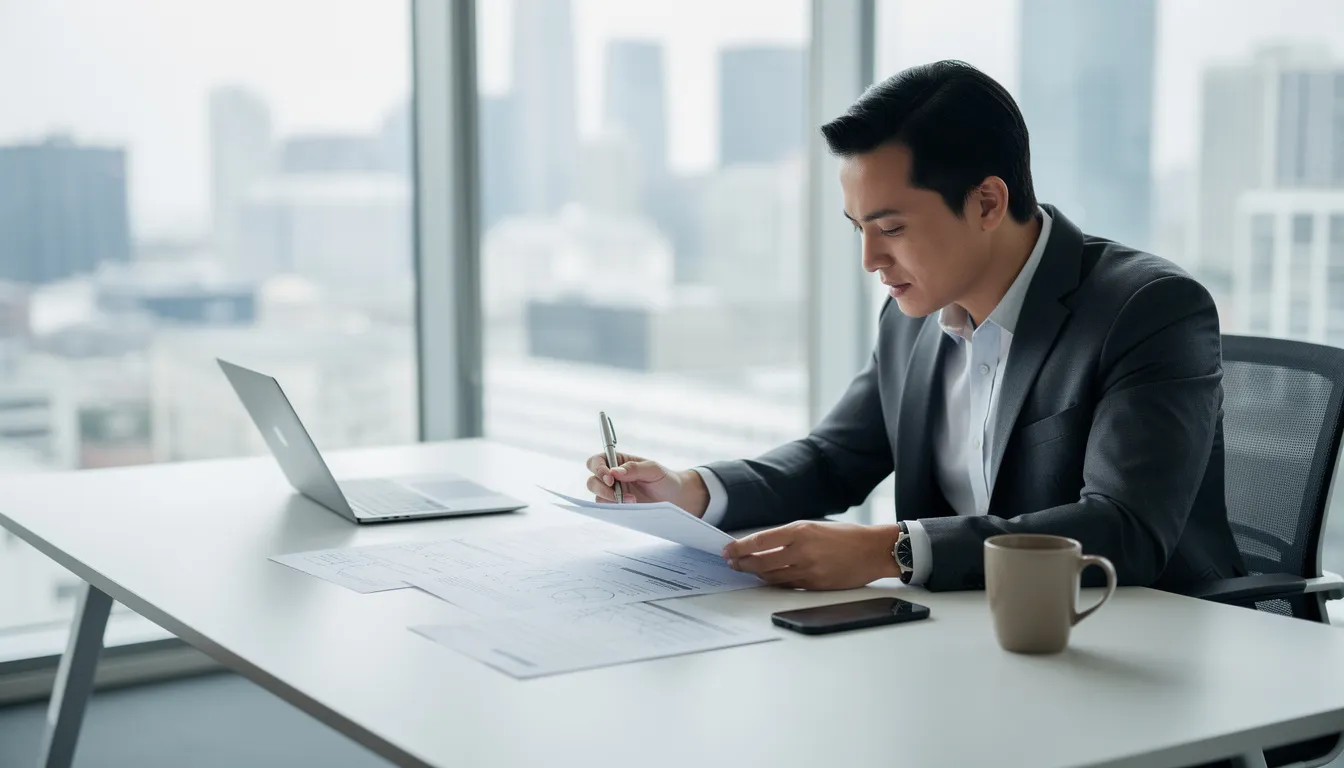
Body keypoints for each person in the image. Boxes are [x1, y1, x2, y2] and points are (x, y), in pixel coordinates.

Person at [583, 60, 1246, 593]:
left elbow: (1125, 529)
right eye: (859, 231)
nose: (871, 260)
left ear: (988, 202)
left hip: (1143, 650)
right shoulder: (913, 318)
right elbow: (833, 459)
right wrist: (688, 491)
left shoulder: (1150, 309)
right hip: (968, 645)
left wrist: (890, 550)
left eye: (892, 229)